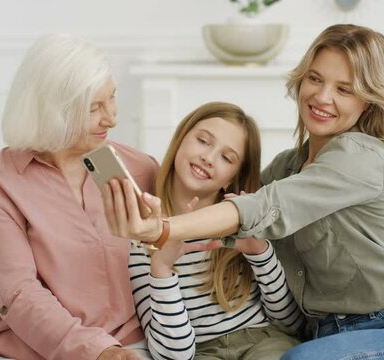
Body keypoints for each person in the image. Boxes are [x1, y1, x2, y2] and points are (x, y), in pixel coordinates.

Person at [103, 24, 384, 359]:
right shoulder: (284, 169)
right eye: (315, 79)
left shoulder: (360, 156)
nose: (322, 97)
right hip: (327, 336)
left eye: (344, 89)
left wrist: (163, 229)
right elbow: (235, 205)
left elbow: (262, 206)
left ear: (366, 101)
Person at [0, 34, 158, 360]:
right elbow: (18, 294)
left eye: (112, 99)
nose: (112, 119)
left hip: (127, 344)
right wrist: (98, 352)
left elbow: (181, 252)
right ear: (55, 111)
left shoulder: (138, 168)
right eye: (94, 108)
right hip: (21, 348)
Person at [127, 102, 303, 360]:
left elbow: (291, 323)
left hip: (263, 340)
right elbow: (174, 356)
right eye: (203, 141)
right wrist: (162, 269)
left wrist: (259, 251)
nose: (208, 158)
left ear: (232, 177)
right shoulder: (143, 241)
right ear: (181, 139)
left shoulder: (245, 223)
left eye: (226, 157)